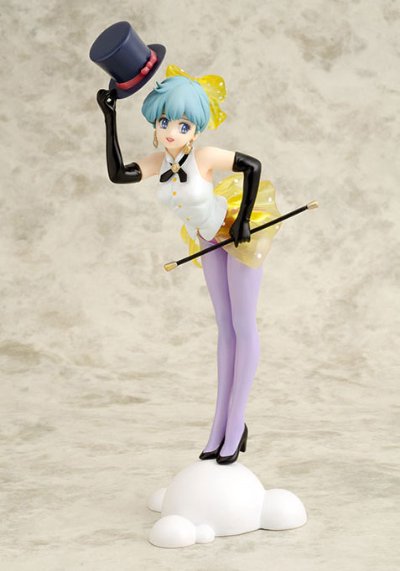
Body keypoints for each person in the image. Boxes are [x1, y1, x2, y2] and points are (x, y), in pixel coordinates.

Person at [96, 66, 280, 464]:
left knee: (243, 325)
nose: (171, 131)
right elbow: (118, 174)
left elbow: (252, 166)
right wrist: (109, 118)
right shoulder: (159, 161)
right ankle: (220, 424)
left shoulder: (204, 157)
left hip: (236, 234)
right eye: (164, 122)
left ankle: (235, 423)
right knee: (224, 327)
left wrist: (244, 220)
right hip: (207, 240)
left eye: (183, 125)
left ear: (195, 131)